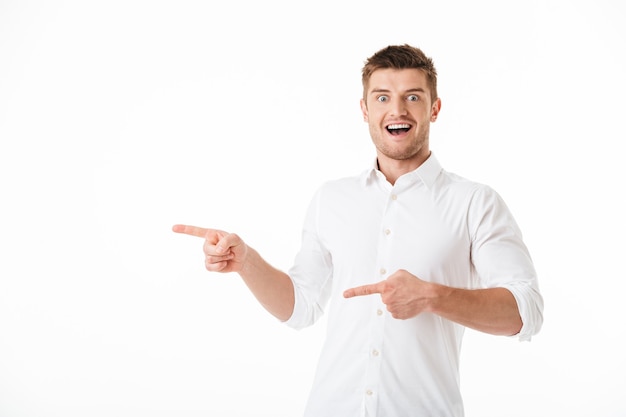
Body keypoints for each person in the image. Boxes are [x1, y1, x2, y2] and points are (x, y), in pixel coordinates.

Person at [173, 44, 544, 417]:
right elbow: (301, 307)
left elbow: (525, 311)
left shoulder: (475, 203)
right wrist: (246, 262)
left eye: (412, 97)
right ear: (365, 110)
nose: (397, 110)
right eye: (382, 97)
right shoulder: (331, 199)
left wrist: (431, 296)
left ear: (434, 108)